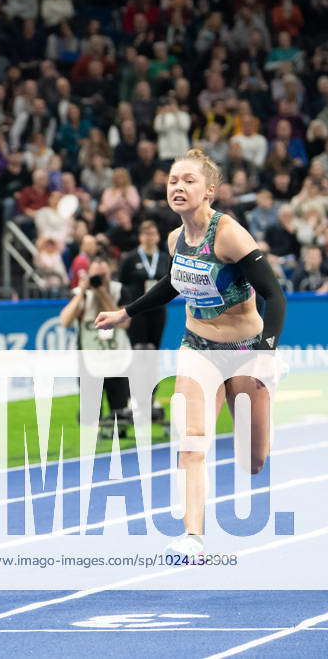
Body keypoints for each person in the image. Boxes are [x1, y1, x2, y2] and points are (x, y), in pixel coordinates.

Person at [95, 148, 287, 556]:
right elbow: (172, 284)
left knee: (253, 459)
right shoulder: (173, 238)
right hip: (197, 346)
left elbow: (274, 293)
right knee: (192, 438)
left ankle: (253, 440)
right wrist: (124, 314)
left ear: (209, 191)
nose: (178, 187)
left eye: (188, 181)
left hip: (245, 349)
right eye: (173, 181)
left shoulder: (230, 234)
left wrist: (268, 348)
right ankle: (193, 535)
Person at [60, 254, 131, 434]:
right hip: (89, 359)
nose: (100, 279)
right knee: (91, 417)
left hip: (117, 357)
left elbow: (124, 323)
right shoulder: (81, 294)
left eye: (103, 275)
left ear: (110, 273)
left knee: (120, 417)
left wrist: (102, 293)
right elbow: (65, 321)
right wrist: (83, 290)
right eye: (96, 276)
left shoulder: (119, 290)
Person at [118, 220, 171, 350]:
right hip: (137, 310)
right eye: (147, 234)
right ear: (140, 236)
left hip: (158, 310)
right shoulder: (130, 258)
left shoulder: (165, 258)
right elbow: (122, 282)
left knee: (155, 347)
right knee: (138, 348)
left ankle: (153, 371)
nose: (150, 237)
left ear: (158, 236)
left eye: (153, 234)